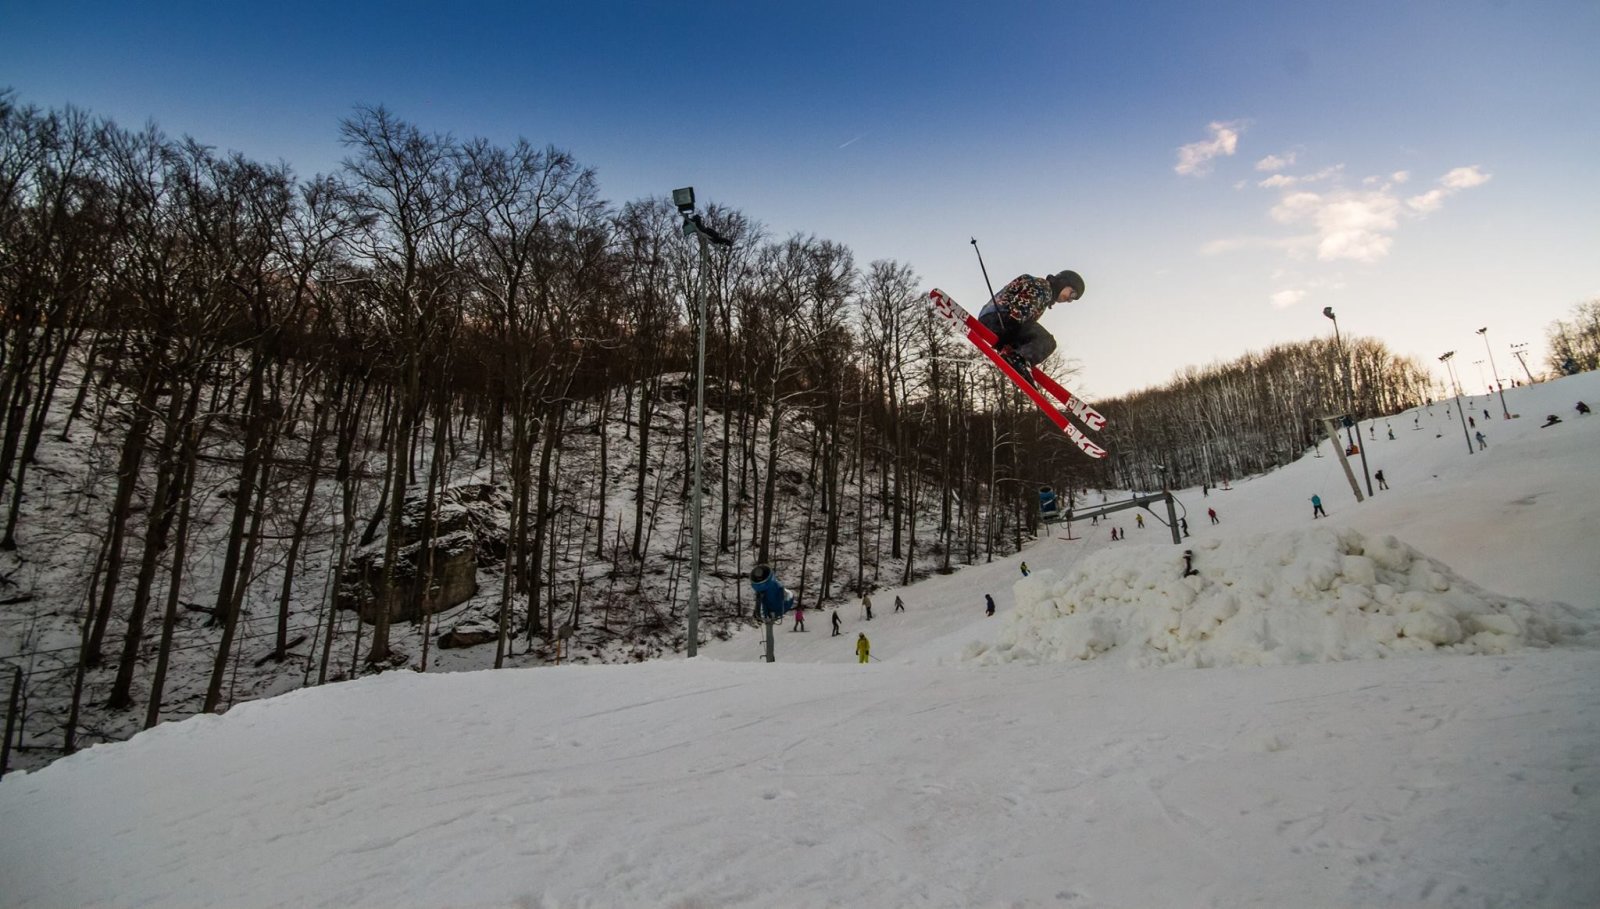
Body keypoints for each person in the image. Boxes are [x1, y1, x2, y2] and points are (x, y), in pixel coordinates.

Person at [976, 269, 1086, 383]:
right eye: (1072, 294)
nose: (1069, 299)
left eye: (1073, 299)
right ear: (1064, 282)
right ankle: (1020, 359)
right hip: (1000, 318)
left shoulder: (1044, 292)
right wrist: (1009, 333)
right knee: (1047, 341)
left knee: (1034, 338)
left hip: (995, 319)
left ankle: (1018, 357)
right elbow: (1022, 306)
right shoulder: (1043, 287)